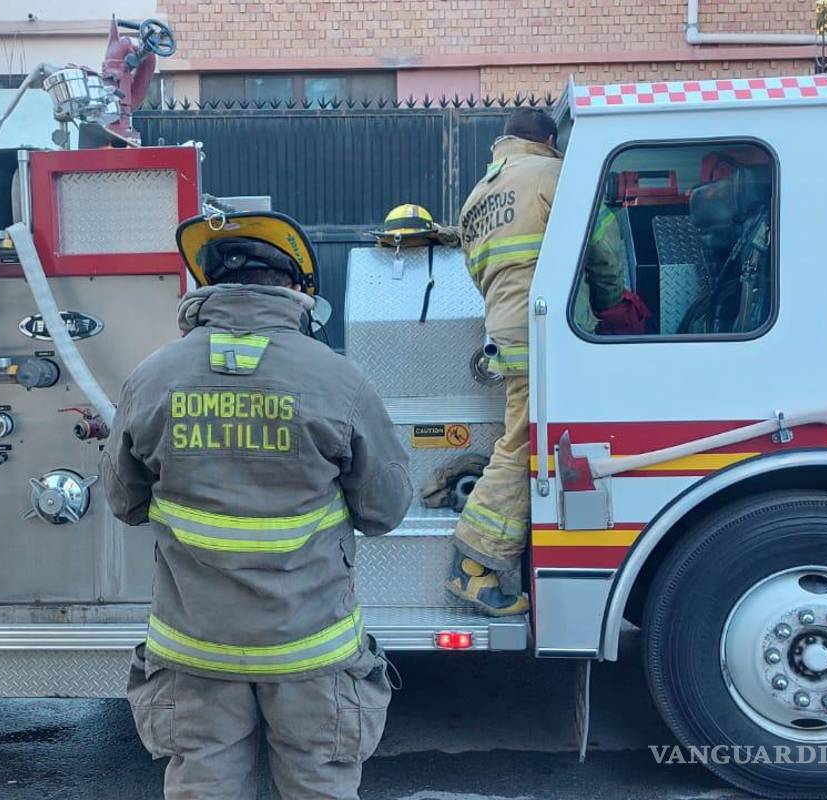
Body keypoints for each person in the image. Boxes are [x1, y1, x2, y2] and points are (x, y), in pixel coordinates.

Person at [102, 210, 413, 799]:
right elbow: (385, 509)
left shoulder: (151, 378)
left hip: (194, 650)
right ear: (296, 290)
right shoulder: (338, 380)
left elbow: (123, 500)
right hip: (311, 651)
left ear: (209, 286)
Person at [447, 107, 631, 616]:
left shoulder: (476, 199)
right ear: (549, 141)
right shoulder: (556, 176)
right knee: (523, 443)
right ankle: (474, 567)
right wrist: (611, 305)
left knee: (526, 436)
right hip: (551, 334)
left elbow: (480, 274)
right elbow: (604, 251)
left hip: (506, 331)